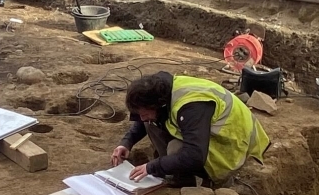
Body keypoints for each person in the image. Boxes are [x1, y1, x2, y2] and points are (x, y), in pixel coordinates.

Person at [112, 70, 269, 187]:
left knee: (176, 148)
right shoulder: (160, 90)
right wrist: (126, 143)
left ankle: (215, 182)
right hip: (204, 132)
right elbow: (144, 118)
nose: (142, 118)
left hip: (230, 146)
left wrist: (152, 166)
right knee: (150, 122)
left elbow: (194, 155)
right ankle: (179, 176)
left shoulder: (191, 108)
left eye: (145, 113)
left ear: (158, 105)